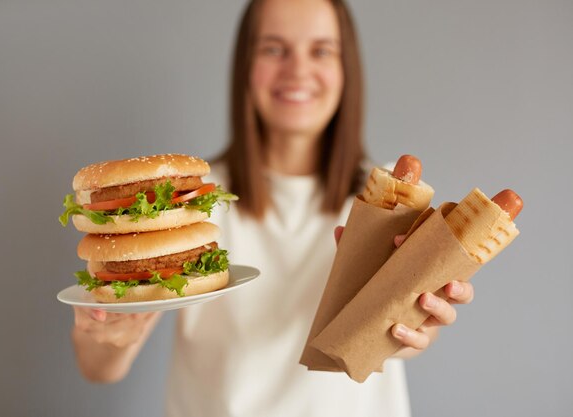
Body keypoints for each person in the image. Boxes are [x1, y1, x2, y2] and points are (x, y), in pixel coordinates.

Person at [72, 0, 475, 416]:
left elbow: (392, 341)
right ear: (244, 64)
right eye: (273, 48)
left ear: (346, 69)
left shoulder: (389, 196)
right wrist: (108, 334)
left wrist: (417, 324)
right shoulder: (188, 203)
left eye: (320, 50)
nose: (297, 70)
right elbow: (99, 368)